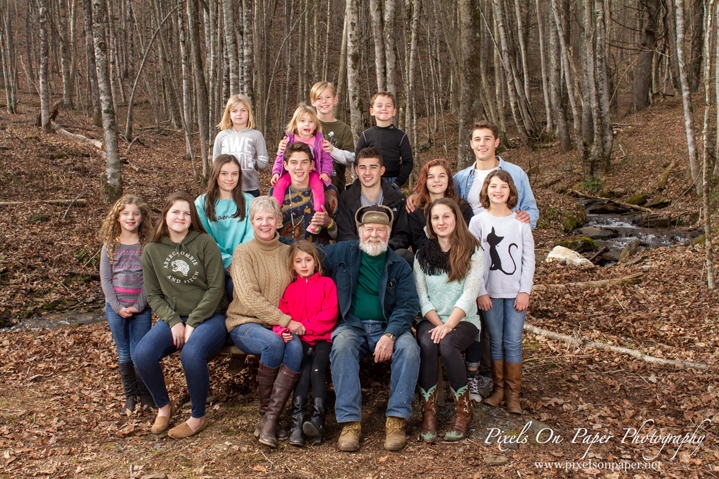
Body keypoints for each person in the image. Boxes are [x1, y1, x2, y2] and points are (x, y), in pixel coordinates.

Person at [407, 120, 539, 402]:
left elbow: (528, 212)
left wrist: (524, 219)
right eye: (477, 139)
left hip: (489, 266)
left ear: (496, 141)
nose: (482, 144)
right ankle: (447, 398)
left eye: (487, 138)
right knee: (485, 325)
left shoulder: (514, 175)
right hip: (462, 274)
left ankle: (498, 386)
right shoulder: (466, 181)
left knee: (498, 333)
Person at [317, 205, 420, 453]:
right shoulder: (343, 251)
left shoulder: (399, 265)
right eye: (369, 229)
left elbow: (408, 305)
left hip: (387, 326)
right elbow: (307, 252)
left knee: (409, 349)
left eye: (380, 230)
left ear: (389, 232)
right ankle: (350, 423)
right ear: (360, 231)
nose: (374, 234)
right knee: (341, 346)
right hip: (352, 325)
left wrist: (391, 334)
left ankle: (396, 419)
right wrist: (273, 235)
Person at [133, 192, 228, 439]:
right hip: (175, 317)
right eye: (175, 211)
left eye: (186, 213)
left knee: (191, 353)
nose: (181, 217)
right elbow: (153, 295)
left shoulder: (205, 243)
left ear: (192, 217)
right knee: (142, 354)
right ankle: (164, 407)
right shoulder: (152, 250)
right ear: (165, 215)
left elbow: (217, 288)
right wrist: (174, 321)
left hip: (211, 317)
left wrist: (193, 322)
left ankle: (198, 417)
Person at [225, 196, 304, 448]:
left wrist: (289, 321)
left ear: (279, 220)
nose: (265, 223)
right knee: (272, 344)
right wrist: (285, 320)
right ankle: (264, 415)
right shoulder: (243, 252)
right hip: (245, 323)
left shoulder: (288, 252)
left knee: (295, 347)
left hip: (278, 324)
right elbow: (248, 297)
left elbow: (297, 289)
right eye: (259, 218)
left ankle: (270, 421)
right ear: (252, 222)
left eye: (270, 217)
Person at [413, 198, 483, 442]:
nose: (441, 222)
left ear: (456, 219)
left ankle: (463, 412)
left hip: (464, 320)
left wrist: (448, 325)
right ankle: (429, 414)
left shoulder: (473, 250)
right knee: (428, 343)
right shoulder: (422, 254)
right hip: (431, 319)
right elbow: (422, 297)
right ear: (430, 223)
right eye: (435, 218)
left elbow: (469, 295)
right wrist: (438, 323)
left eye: (446, 216)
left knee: (447, 343)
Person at [469, 170, 535, 415]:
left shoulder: (520, 223)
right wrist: (481, 292)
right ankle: (498, 391)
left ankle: (513, 395)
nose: (498, 191)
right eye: (493, 186)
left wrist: (525, 291)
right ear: (485, 190)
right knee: (495, 341)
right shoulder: (478, 222)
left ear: (511, 192)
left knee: (513, 342)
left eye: (503, 187)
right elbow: (473, 260)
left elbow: (528, 260)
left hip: (516, 293)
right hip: (490, 294)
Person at [272, 240, 338, 447]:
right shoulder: (290, 289)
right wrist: (282, 331)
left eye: (308, 260)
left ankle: (318, 421)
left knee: (318, 369)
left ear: (316, 263)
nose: (303, 265)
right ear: (292, 265)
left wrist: (304, 326)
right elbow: (281, 316)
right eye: (298, 261)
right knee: (303, 373)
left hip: (323, 339)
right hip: (300, 341)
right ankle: (297, 424)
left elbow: (330, 314)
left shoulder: (327, 284)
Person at [99, 194, 154, 415]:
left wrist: (140, 305)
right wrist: (116, 306)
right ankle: (130, 398)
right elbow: (105, 279)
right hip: (116, 309)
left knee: (139, 352)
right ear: (118, 217)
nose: (130, 217)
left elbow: (151, 279)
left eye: (135, 214)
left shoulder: (147, 246)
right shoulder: (110, 246)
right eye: (126, 214)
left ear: (141, 218)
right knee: (124, 352)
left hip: (141, 310)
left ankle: (147, 397)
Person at [336, 147, 413, 265]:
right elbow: (345, 233)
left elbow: (403, 234)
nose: (367, 172)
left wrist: (383, 249)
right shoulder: (346, 198)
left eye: (373, 167)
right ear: (356, 170)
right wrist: (365, 251)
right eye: (363, 167)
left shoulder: (397, 199)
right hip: (357, 256)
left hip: (388, 255)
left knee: (405, 255)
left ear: (382, 170)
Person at [195, 154, 253, 299]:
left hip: (243, 262)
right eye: (224, 173)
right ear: (215, 174)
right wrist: (227, 261)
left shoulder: (249, 200)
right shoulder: (202, 203)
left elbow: (251, 233)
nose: (230, 178)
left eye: (235, 174)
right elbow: (203, 236)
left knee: (237, 288)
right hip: (213, 263)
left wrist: (238, 261)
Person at [271, 104, 334, 234]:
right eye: (303, 121)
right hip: (292, 173)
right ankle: (276, 214)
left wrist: (325, 172)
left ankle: (317, 218)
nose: (307, 124)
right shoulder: (289, 140)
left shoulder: (319, 141)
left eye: (311, 121)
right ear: (295, 124)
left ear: (316, 125)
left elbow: (326, 159)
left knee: (318, 188)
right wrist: (276, 172)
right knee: (279, 185)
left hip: (313, 172)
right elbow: (280, 158)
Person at [269, 142, 339, 245]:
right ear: (285, 165)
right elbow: (267, 235)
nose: (299, 167)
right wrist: (272, 224)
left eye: (304, 162)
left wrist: (329, 223)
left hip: (318, 254)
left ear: (311, 165)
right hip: (285, 254)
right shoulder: (275, 193)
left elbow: (340, 234)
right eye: (293, 162)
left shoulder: (329, 192)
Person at [408, 159, 474, 253]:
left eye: (441, 176)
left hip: (459, 259)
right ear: (425, 181)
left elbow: (468, 238)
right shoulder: (416, 210)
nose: (436, 180)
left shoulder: (463, 207)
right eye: (430, 177)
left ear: (449, 179)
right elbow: (418, 243)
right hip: (428, 260)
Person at [354, 91, 413, 191]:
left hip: (393, 182)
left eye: (388, 105)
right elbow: (357, 160)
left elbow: (408, 162)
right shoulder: (366, 135)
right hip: (371, 180)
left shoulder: (401, 136)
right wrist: (364, 178)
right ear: (372, 111)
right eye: (379, 105)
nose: (384, 108)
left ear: (394, 111)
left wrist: (398, 182)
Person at [213, 94, 268, 197]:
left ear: (249, 113)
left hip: (250, 188)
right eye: (234, 111)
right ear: (229, 114)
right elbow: (216, 161)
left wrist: (249, 162)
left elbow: (263, 162)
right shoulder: (222, 136)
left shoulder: (256, 135)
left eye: (243, 110)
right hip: (227, 188)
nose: (239, 114)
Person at [309, 81, 355, 193]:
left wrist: (332, 150)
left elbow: (350, 159)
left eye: (328, 97)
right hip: (307, 188)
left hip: (335, 188)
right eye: (319, 98)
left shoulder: (343, 128)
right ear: (313, 102)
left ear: (335, 99)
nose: (324, 101)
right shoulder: (306, 125)